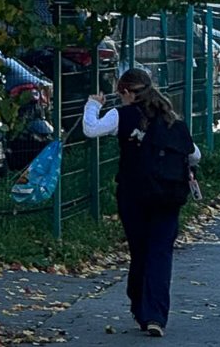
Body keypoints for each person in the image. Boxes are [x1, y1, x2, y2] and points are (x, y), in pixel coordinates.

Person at [83, 68, 201, 338]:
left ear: (125, 92)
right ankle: (155, 315)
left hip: (134, 195)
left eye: (119, 93)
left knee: (140, 252)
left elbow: (91, 129)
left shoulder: (121, 116)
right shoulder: (172, 119)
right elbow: (195, 155)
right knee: (160, 254)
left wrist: (93, 104)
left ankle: (139, 306)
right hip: (169, 196)